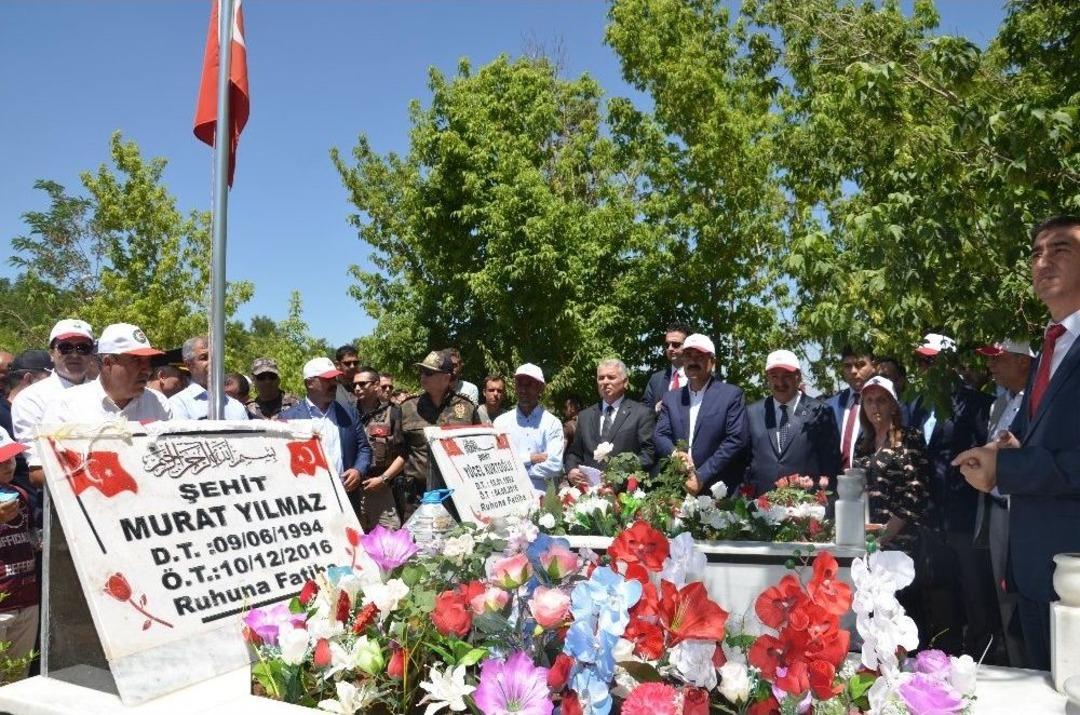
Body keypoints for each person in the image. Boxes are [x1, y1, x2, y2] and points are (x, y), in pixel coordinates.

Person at [955, 216, 1080, 670]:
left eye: (1061, 249)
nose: (1043, 261)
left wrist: (1006, 470)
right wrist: (1000, 451)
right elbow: (1038, 438)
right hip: (1034, 572)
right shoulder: (1050, 347)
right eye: (1036, 253)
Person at [910, 332, 997, 660]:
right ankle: (945, 657)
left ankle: (983, 657)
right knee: (940, 590)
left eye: (931, 360)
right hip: (930, 518)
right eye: (921, 361)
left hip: (966, 515)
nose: (924, 367)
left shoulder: (977, 403)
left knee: (975, 592)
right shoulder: (917, 404)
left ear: (949, 363)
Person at [973, 337, 1034, 667]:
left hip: (1027, 513)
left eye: (999, 358)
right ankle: (1016, 667)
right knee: (1005, 596)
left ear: (1023, 361)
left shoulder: (1039, 401)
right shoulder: (998, 404)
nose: (990, 365)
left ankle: (1038, 668)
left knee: (1029, 596)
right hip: (997, 511)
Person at [852, 375, 930, 624]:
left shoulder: (909, 437)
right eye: (869, 401)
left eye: (881, 400)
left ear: (893, 406)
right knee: (874, 613)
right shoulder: (862, 444)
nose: (874, 406)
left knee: (904, 612)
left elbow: (916, 490)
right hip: (870, 541)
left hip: (902, 542)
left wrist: (888, 532)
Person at [654, 334, 749, 495]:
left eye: (699, 357)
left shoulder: (731, 395)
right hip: (678, 488)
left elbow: (736, 439)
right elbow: (660, 434)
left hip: (718, 490)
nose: (693, 361)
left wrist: (701, 476)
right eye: (688, 356)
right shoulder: (671, 398)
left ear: (712, 361)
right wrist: (675, 455)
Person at [745, 350, 840, 496]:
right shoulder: (752, 412)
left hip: (807, 503)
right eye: (774, 376)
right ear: (767, 378)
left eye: (787, 376)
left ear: (798, 377)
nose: (780, 383)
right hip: (761, 503)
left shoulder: (820, 412)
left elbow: (831, 465)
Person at [40, 323, 173, 428]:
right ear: (108, 362)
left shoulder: (158, 403)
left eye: (148, 361)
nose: (147, 370)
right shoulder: (66, 405)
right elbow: (48, 454)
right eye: (136, 360)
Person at [12, 319, 95, 481]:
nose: (75, 354)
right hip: (59, 491)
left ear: (91, 355)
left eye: (83, 348)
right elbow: (38, 470)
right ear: (51, 353)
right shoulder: (30, 399)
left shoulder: (106, 394)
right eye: (65, 347)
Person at [398, 351, 479, 517]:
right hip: (417, 496)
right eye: (421, 371)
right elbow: (399, 451)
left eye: (429, 373)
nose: (423, 376)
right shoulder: (407, 407)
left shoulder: (467, 408)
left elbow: (477, 450)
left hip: (457, 496)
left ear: (446, 378)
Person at [281, 357, 372, 496]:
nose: (334, 383)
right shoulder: (288, 418)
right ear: (310, 383)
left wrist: (358, 470)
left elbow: (364, 448)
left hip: (346, 495)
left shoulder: (349, 413)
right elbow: (282, 460)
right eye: (327, 379)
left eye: (334, 379)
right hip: (309, 498)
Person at [564, 359, 655, 487]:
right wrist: (571, 470)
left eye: (611, 377)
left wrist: (618, 477)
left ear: (625, 382)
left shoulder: (641, 414)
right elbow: (574, 452)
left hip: (625, 492)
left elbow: (648, 454)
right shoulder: (585, 416)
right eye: (601, 378)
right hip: (589, 491)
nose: (605, 382)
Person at [0, 431, 37, 682]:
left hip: (26, 599)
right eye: (1, 461)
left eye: (11, 458)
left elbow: (31, 536)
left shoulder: (20, 494)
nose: (8, 465)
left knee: (17, 677)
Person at [493, 364, 564, 493]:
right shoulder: (501, 423)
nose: (523, 390)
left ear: (541, 388)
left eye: (529, 385)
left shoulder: (552, 423)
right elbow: (498, 462)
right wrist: (530, 458)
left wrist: (516, 469)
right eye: (520, 384)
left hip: (542, 497)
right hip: (510, 495)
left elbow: (555, 465)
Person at [352, 366, 403, 530]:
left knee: (388, 536)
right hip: (352, 489)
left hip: (381, 487)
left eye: (362, 384)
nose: (357, 388)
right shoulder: (347, 412)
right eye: (354, 385)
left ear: (375, 385)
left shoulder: (393, 412)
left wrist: (383, 479)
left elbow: (404, 454)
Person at [168, 336, 249, 420]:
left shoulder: (237, 407)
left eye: (215, 357)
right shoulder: (178, 404)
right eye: (204, 358)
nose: (212, 362)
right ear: (189, 364)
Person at [825, 345, 876, 470]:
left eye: (860, 364)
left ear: (873, 366)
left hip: (871, 479)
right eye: (847, 366)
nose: (853, 371)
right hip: (834, 479)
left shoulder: (885, 405)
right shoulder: (829, 406)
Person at [641, 321, 690, 412]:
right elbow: (644, 411)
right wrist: (656, 408)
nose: (670, 348)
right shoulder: (656, 380)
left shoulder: (700, 377)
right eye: (667, 345)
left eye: (675, 345)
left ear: (688, 346)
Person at [874, 356, 914, 426]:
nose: (878, 382)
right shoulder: (871, 408)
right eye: (876, 378)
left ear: (900, 381)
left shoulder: (913, 409)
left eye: (884, 377)